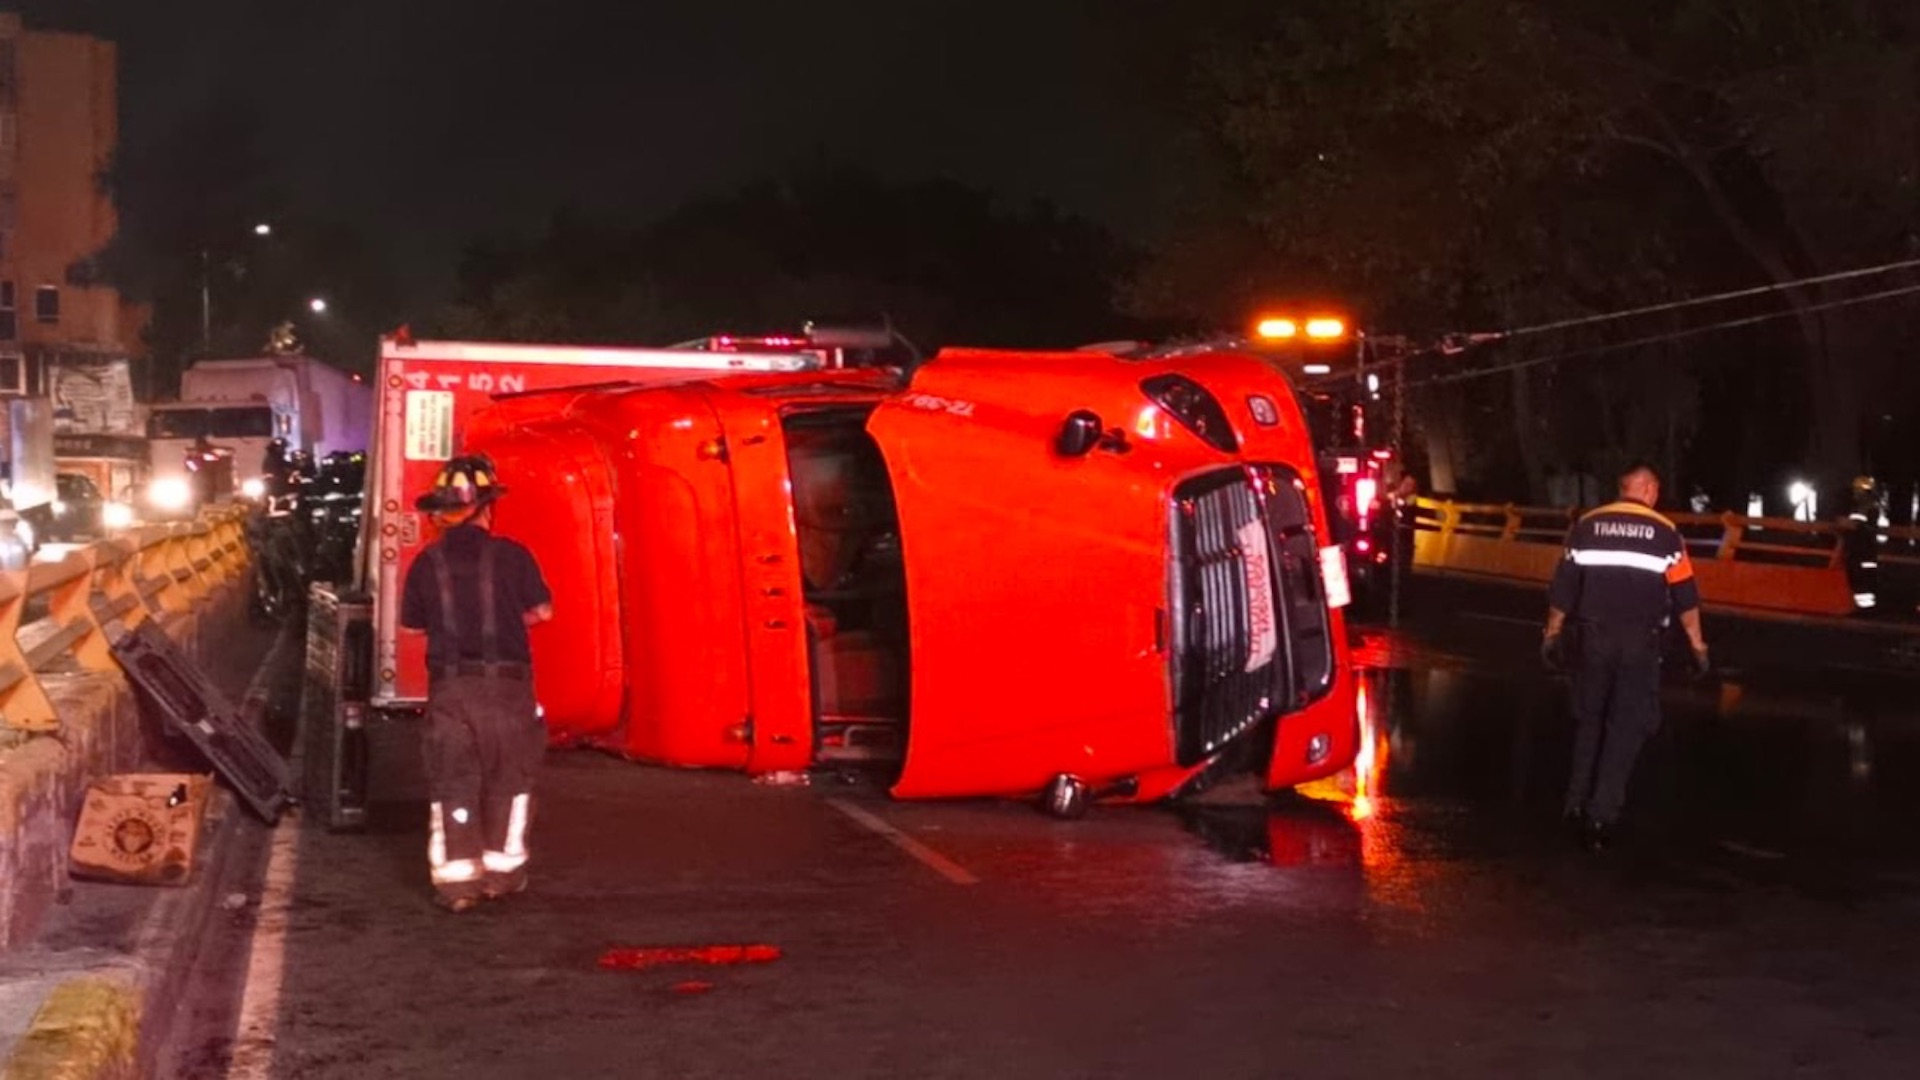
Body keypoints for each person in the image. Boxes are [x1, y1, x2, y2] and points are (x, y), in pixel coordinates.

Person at [400, 455, 553, 912]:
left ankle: (457, 885)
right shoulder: (513, 555)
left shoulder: (426, 563)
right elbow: (544, 612)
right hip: (507, 690)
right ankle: (501, 878)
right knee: (510, 778)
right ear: (488, 507)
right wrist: (508, 618)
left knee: (454, 782)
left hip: (450, 691)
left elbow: (412, 628)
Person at [1541, 463, 1709, 851]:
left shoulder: (1586, 525)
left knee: (1589, 720)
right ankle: (1602, 814)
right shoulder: (1666, 533)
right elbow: (1685, 596)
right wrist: (1698, 646)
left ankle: (1575, 803)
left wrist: (1551, 635)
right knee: (1626, 725)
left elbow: (1563, 588)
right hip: (1640, 643)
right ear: (1648, 489)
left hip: (1592, 638)